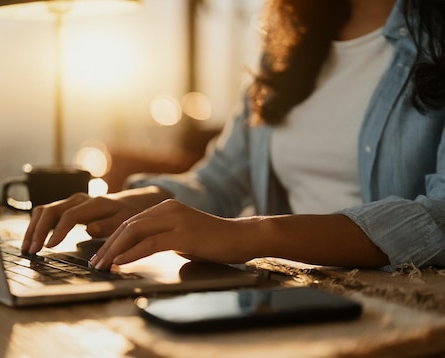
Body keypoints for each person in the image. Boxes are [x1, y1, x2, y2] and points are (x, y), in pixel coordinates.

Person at [23, 0, 445, 272]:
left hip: (397, 310)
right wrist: (133, 205)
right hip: (290, 297)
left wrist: (246, 236)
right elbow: (219, 180)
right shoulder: (292, 40)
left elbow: (439, 217)